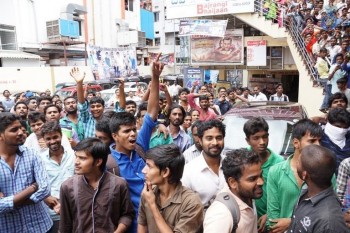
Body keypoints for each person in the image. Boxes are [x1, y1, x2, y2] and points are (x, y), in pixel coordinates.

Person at [109, 54, 164, 232]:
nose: (133, 134)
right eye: (126, 131)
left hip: (156, 219)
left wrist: (155, 77)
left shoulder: (140, 146)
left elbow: (153, 110)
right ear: (115, 136)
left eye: (134, 129)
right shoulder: (108, 163)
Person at [59, 138, 134, 233]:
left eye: (82, 158)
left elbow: (127, 214)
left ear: (98, 162)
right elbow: (65, 224)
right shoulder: (67, 187)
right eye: (76, 156)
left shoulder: (119, 185)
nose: (76, 162)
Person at [266, 119, 323, 232]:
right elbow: (273, 220)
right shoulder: (276, 172)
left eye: (319, 141)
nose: (318, 145)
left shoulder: (325, 172)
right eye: (312, 141)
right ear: (296, 143)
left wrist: (291, 222)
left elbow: (327, 212)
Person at [0, 112, 52, 232]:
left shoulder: (32, 154)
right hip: (8, 228)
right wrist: (32, 188)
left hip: (40, 226)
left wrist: (11, 202)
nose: (20, 132)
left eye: (20, 128)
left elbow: (45, 189)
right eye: (14, 130)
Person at [138, 144, 204, 233]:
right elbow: (142, 224)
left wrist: (153, 206)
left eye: (149, 166)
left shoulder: (191, 203)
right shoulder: (148, 192)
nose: (143, 170)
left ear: (165, 172)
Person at [287, 145, 348, 232]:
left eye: (299, 161)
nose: (296, 163)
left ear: (305, 175)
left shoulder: (329, 222)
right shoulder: (306, 192)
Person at [204, 148, 263, 233]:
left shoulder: (247, 195)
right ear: (233, 182)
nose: (261, 182)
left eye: (261, 175)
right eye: (252, 179)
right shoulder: (221, 214)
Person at [243, 117, 284, 231]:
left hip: (271, 224)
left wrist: (269, 215)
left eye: (265, 137)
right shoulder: (242, 160)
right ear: (248, 140)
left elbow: (283, 195)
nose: (262, 142)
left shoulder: (279, 164)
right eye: (256, 138)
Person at [40, 121, 75, 233]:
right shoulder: (40, 160)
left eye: (55, 137)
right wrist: (46, 198)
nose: (53, 141)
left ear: (61, 136)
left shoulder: (74, 155)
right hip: (52, 214)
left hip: (75, 210)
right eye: (48, 139)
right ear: (44, 140)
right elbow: (38, 185)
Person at [182, 120, 226, 207]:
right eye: (209, 138)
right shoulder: (188, 171)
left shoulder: (231, 165)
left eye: (219, 138)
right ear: (200, 141)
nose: (215, 143)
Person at [70, 67, 105, 138]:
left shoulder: (108, 119)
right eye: (92, 107)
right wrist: (79, 83)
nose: (95, 109)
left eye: (98, 106)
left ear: (103, 107)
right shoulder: (87, 118)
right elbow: (82, 104)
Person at [321, 108, 350, 174]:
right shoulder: (319, 139)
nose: (341, 130)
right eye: (338, 126)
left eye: (345, 127)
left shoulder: (348, 138)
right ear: (328, 122)